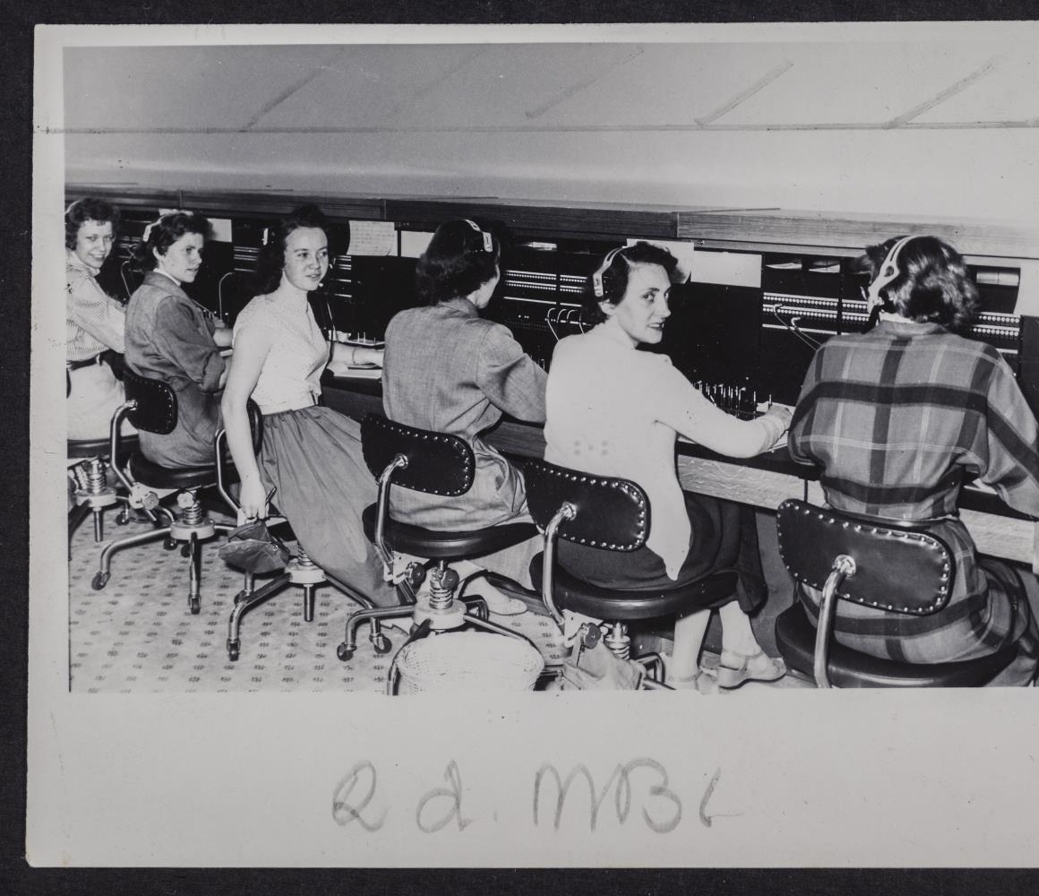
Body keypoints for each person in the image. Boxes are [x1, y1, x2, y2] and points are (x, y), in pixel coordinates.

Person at [787, 234, 1039, 685]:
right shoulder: (980, 363)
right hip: (935, 627)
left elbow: (799, 450)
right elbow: (1038, 494)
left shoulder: (829, 354)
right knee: (1015, 601)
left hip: (829, 607)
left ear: (877, 289)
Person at [544, 242, 793, 691]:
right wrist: (780, 417)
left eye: (666, 296)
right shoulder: (654, 370)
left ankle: (737, 649)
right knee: (728, 509)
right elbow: (740, 442)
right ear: (607, 301)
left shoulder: (566, 350)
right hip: (635, 559)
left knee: (715, 512)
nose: (665, 310)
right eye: (649, 297)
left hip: (567, 546)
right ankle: (693, 668)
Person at [220, 204, 396, 607]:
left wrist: (373, 355)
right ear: (279, 258)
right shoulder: (261, 317)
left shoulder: (300, 303)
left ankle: (419, 580)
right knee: (350, 523)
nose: (316, 264)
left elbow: (316, 351)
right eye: (302, 254)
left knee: (386, 482)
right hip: (281, 438)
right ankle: (393, 599)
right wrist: (250, 481)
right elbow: (232, 404)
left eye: (322, 254)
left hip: (310, 424)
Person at [381, 219, 546, 615]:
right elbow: (540, 405)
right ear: (489, 276)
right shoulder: (487, 337)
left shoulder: (399, 322)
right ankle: (461, 570)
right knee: (549, 495)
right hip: (461, 497)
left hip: (401, 494)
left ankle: (468, 576)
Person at [124, 211, 231, 468]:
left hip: (160, 435)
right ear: (160, 252)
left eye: (200, 251)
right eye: (188, 251)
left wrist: (250, 333)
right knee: (272, 425)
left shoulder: (148, 292)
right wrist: (254, 350)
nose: (198, 259)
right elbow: (214, 378)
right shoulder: (169, 304)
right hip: (191, 439)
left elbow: (212, 334)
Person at [65, 197, 129, 440]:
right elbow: (125, 339)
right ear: (72, 238)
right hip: (84, 395)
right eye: (92, 238)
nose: (102, 247)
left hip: (66, 387)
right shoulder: (79, 283)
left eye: (108, 238)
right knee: (165, 422)